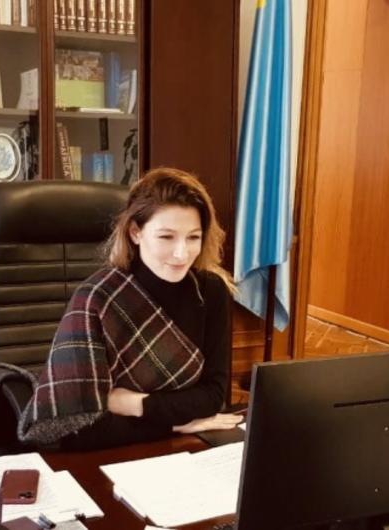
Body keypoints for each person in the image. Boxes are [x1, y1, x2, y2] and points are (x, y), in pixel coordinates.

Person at [24, 167, 243, 449]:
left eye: (193, 237)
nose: (182, 254)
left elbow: (212, 397)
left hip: (183, 448)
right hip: (107, 454)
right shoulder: (97, 299)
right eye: (166, 237)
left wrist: (132, 403)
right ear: (136, 232)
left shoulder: (211, 291)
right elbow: (77, 427)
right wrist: (175, 423)